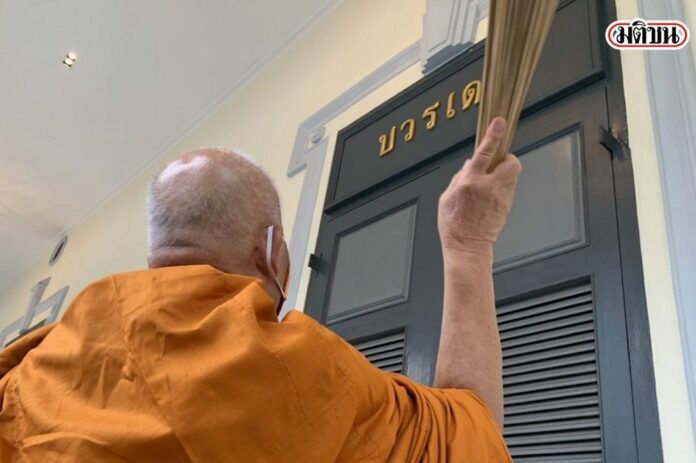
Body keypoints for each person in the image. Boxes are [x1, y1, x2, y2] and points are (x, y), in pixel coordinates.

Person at [0, 118, 520, 462]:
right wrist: (467, 244)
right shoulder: (301, 373)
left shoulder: (33, 370)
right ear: (274, 252)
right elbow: (471, 435)